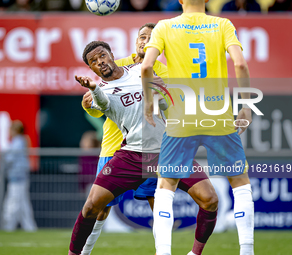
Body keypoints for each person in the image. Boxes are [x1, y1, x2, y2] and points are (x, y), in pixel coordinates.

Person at [81, 24, 218, 255]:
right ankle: (83, 252)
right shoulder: (119, 64)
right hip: (114, 147)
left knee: (158, 202)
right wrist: (88, 105)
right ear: (135, 41)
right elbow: (96, 108)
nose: (144, 41)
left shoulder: (163, 72)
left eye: (151, 38)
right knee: (100, 208)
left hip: (151, 148)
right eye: (141, 37)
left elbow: (172, 106)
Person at [141, 0, 254, 255]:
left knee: (166, 186)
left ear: (180, 0)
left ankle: (163, 252)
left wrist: (149, 102)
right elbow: (241, 64)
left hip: (181, 119)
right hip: (218, 117)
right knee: (240, 182)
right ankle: (247, 251)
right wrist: (245, 105)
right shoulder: (223, 24)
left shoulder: (164, 26)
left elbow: (147, 66)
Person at [2, 120, 37, 232]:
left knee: (13, 203)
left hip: (17, 177)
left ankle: (8, 227)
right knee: (23, 205)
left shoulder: (17, 141)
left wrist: (1, 158)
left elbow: (10, 159)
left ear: (14, 130)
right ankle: (30, 228)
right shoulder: (21, 141)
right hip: (21, 177)